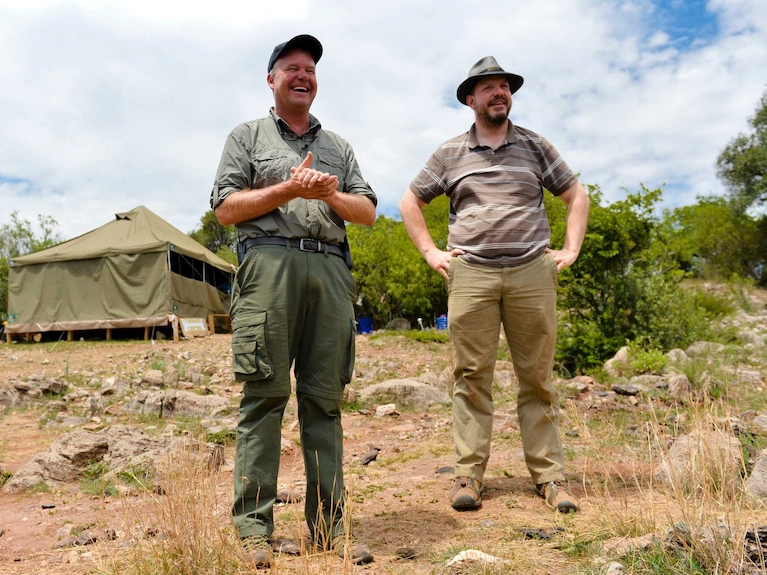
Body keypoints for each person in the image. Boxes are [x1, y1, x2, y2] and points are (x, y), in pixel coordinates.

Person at [211, 34, 376, 569]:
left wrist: (328, 194)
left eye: (309, 69)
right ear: (272, 79)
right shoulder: (247, 136)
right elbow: (225, 209)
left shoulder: (339, 147)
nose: (302, 76)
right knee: (263, 396)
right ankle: (253, 532)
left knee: (324, 401)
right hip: (268, 268)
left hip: (330, 270)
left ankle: (328, 532)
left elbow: (368, 211)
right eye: (291, 69)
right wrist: (287, 189)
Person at [399, 56, 589, 514]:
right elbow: (410, 201)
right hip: (472, 274)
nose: (499, 92)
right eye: (489, 87)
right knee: (470, 377)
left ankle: (550, 478)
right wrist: (432, 253)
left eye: (504, 86)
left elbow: (576, 194)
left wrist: (570, 249)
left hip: (531, 272)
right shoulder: (449, 153)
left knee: (537, 378)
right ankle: (469, 475)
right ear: (471, 99)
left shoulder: (536, 146)